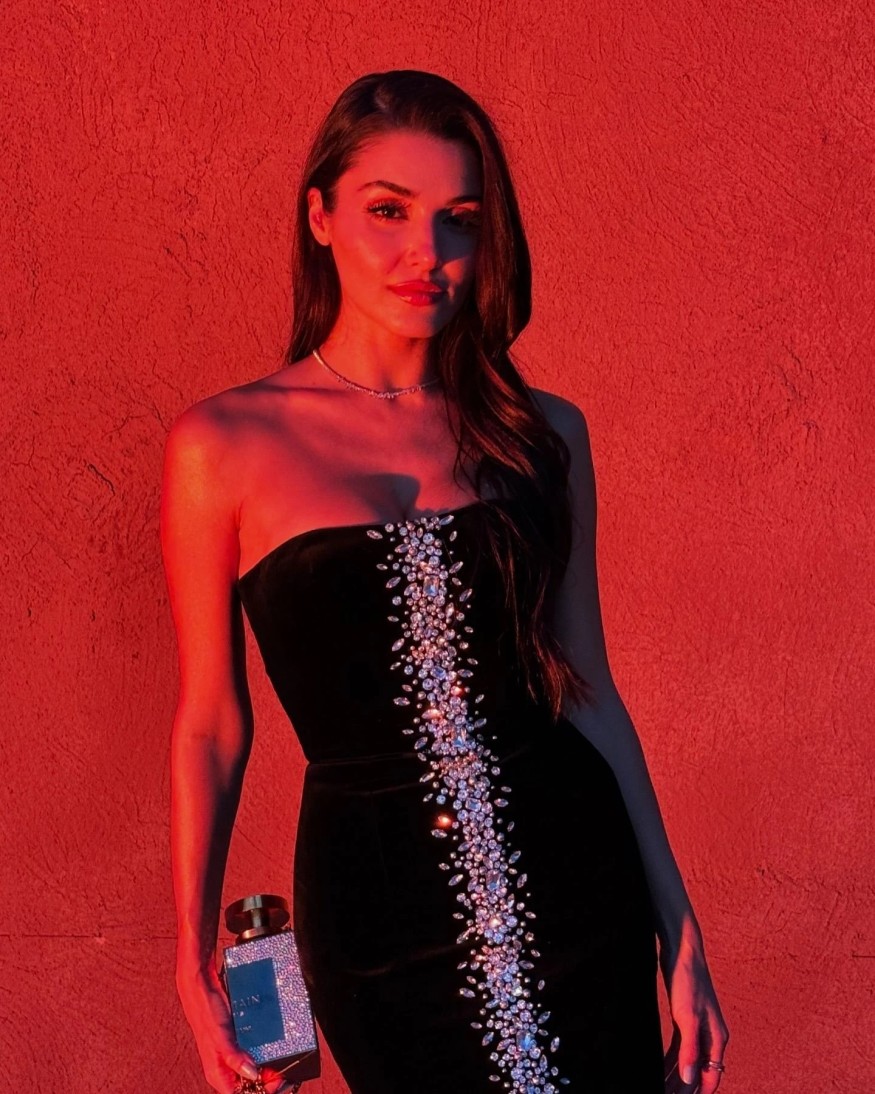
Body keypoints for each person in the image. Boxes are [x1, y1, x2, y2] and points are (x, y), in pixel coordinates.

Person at [160, 69, 729, 1094]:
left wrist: (676, 926)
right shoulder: (223, 444)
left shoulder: (543, 433)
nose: (425, 251)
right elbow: (210, 720)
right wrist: (192, 955)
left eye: (458, 220)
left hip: (578, 885)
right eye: (388, 211)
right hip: (375, 916)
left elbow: (586, 690)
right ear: (320, 217)